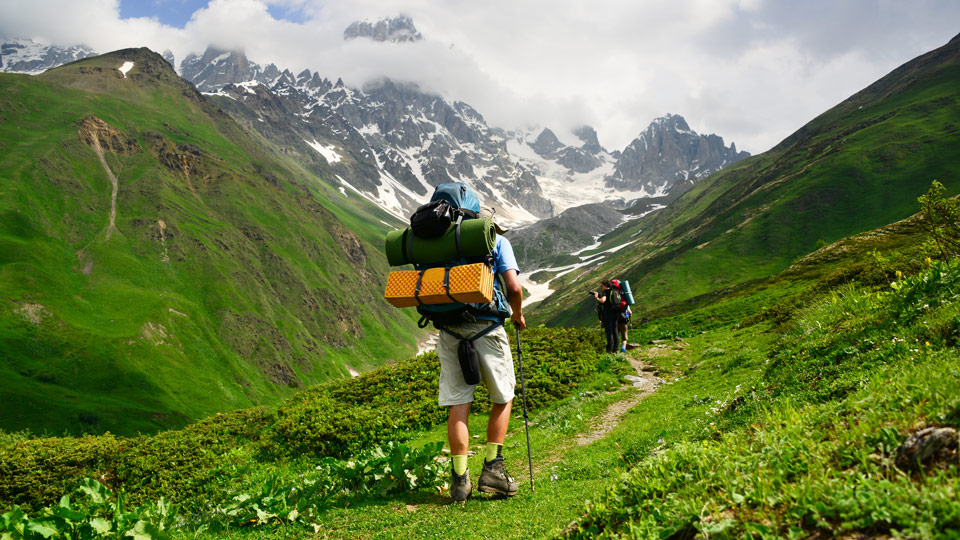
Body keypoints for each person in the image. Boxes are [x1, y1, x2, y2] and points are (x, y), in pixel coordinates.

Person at [438, 208, 526, 503]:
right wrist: (518, 314)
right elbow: (513, 286)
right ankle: (492, 470)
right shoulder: (493, 240)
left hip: (449, 330)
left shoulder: (439, 243)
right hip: (487, 327)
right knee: (503, 395)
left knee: (458, 402)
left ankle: (459, 481)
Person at [591, 280, 620, 353]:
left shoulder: (605, 292)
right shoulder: (614, 291)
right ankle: (616, 348)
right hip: (616, 313)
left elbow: (603, 300)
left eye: (601, 286)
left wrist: (597, 298)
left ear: (604, 285)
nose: (601, 287)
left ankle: (609, 349)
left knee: (609, 331)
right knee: (615, 330)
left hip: (608, 314)